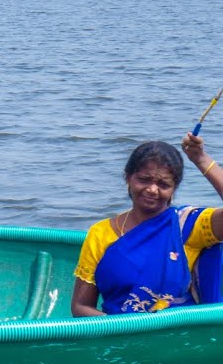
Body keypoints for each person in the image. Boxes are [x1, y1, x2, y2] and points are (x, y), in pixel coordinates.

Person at [71, 135, 223, 316]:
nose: (152, 189)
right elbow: (80, 307)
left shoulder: (186, 226)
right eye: (144, 179)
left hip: (177, 335)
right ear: (128, 178)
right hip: (118, 335)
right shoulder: (100, 233)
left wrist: (201, 160)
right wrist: (125, 329)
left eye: (163, 184)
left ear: (174, 188)